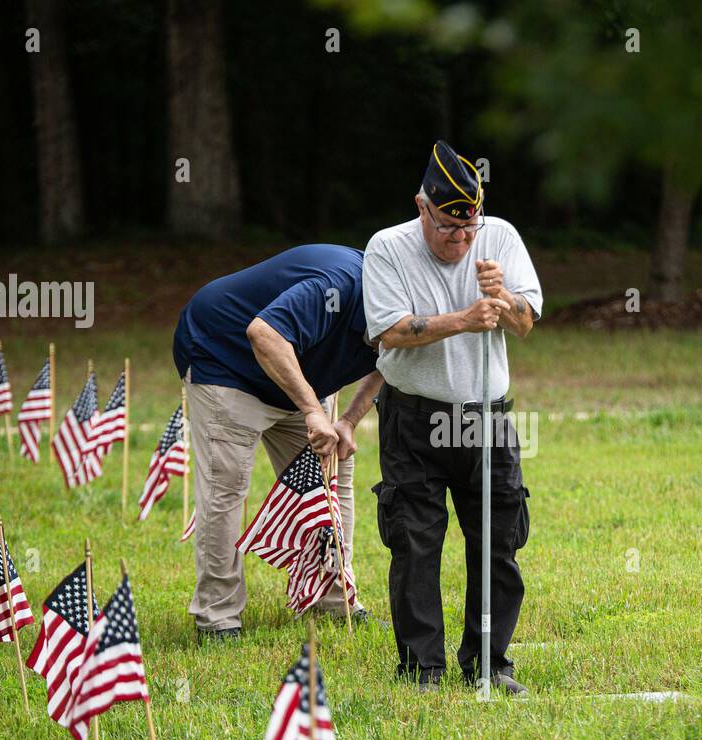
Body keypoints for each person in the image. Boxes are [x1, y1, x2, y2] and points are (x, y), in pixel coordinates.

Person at [361, 141, 542, 694]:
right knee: (415, 541)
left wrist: (504, 299)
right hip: (413, 419)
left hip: (486, 416)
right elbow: (389, 331)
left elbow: (527, 322)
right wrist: (464, 318)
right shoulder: (387, 248)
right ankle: (422, 669)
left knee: (497, 538)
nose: (461, 239)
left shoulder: (500, 237)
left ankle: (490, 662)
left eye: (469, 228)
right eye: (447, 228)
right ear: (423, 207)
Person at [173, 244, 384, 639]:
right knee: (227, 484)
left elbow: (395, 363)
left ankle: (333, 599)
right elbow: (264, 333)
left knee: (329, 476)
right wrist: (311, 410)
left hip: (296, 370)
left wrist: (349, 421)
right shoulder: (335, 286)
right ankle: (218, 617)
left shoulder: (406, 309)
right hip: (224, 356)